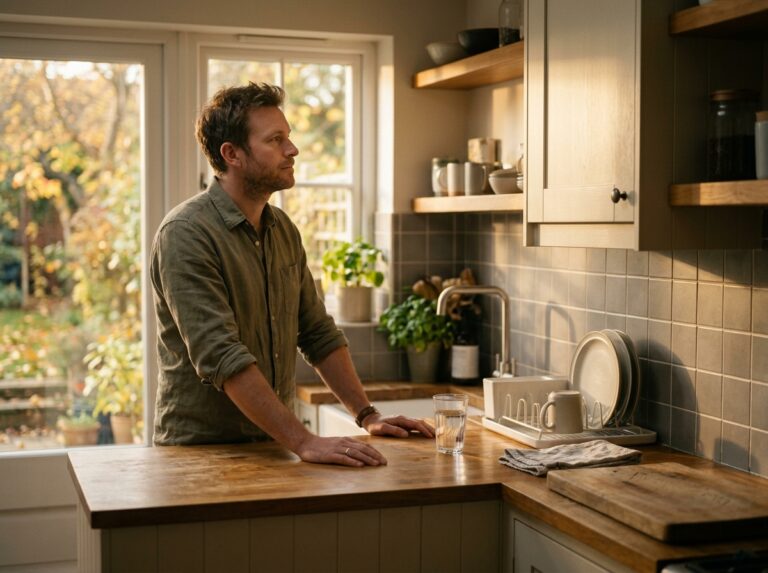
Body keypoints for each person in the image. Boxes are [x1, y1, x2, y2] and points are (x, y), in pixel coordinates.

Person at [150, 82, 433, 466]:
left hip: (273, 445)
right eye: (276, 140)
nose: (292, 150)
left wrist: (368, 416)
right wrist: (304, 441)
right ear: (232, 154)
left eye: (289, 137)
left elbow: (316, 332)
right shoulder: (186, 234)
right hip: (201, 454)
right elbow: (222, 355)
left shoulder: (282, 228)